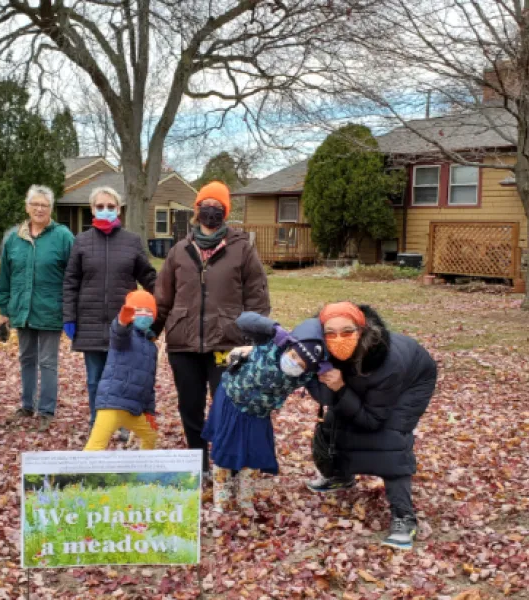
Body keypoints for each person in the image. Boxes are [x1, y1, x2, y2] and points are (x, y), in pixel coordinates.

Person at [154, 181, 270, 473]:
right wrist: (149, 331)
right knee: (189, 406)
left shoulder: (242, 250)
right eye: (207, 205)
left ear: (225, 212)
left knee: (227, 406)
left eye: (218, 208)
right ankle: (199, 462)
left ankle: (225, 462)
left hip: (227, 344)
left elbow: (257, 298)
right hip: (184, 343)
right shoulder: (179, 251)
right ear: (197, 210)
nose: (211, 212)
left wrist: (254, 340)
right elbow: (162, 297)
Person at [306, 301, 437, 551]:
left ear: (362, 330)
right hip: (363, 378)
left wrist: (341, 388)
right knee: (335, 421)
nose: (338, 339)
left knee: (388, 441)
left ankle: (403, 517)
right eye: (330, 333)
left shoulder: (387, 362)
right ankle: (340, 476)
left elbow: (372, 419)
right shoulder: (320, 350)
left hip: (411, 382)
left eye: (347, 332)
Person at [203, 314, 330, 514]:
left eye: (303, 364)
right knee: (224, 452)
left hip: (258, 414)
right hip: (231, 401)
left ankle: (245, 499)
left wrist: (329, 376)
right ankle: (222, 500)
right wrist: (273, 328)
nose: (295, 363)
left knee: (252, 457)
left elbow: (325, 397)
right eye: (294, 356)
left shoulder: (306, 376)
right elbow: (243, 320)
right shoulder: (272, 344)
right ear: (289, 347)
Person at [62, 186, 156, 432]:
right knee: (95, 379)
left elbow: (148, 277)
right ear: (92, 209)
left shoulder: (131, 242)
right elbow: (71, 282)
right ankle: (98, 423)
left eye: (110, 206)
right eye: (100, 206)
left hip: (124, 324)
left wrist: (160, 304)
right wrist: (69, 317)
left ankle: (124, 424)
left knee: (123, 377)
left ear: (118, 209)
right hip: (90, 322)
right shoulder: (81, 242)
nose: (105, 210)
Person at [0, 185, 74, 432]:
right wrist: (4, 308)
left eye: (44, 205)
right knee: (26, 358)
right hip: (22, 309)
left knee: (48, 361)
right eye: (35, 204)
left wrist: (71, 308)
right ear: (27, 206)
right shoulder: (14, 238)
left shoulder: (63, 237)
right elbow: (5, 276)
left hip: (51, 308)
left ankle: (46, 410)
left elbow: (74, 275)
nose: (39, 209)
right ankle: (27, 404)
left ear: (51, 208)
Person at [84, 291, 159, 451]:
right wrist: (122, 322)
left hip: (134, 410)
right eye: (139, 311)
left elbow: (149, 382)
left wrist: (149, 411)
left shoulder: (152, 347)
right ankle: (81, 475)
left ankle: (143, 471)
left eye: (148, 312)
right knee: (96, 445)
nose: (144, 315)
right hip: (112, 404)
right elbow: (118, 334)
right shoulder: (126, 336)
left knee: (150, 435)